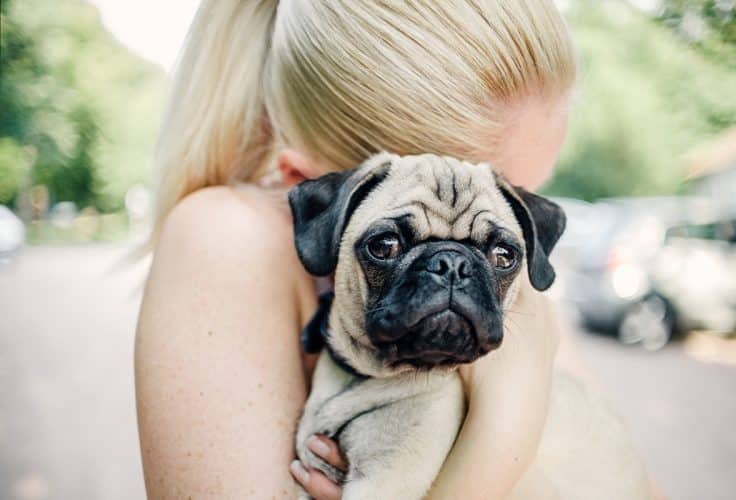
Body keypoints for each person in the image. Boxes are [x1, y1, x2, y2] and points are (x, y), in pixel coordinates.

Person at [135, 1, 582, 498]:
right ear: (315, 198)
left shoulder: (528, 309)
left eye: (501, 246)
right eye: (390, 243)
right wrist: (502, 437)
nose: (457, 272)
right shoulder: (226, 238)